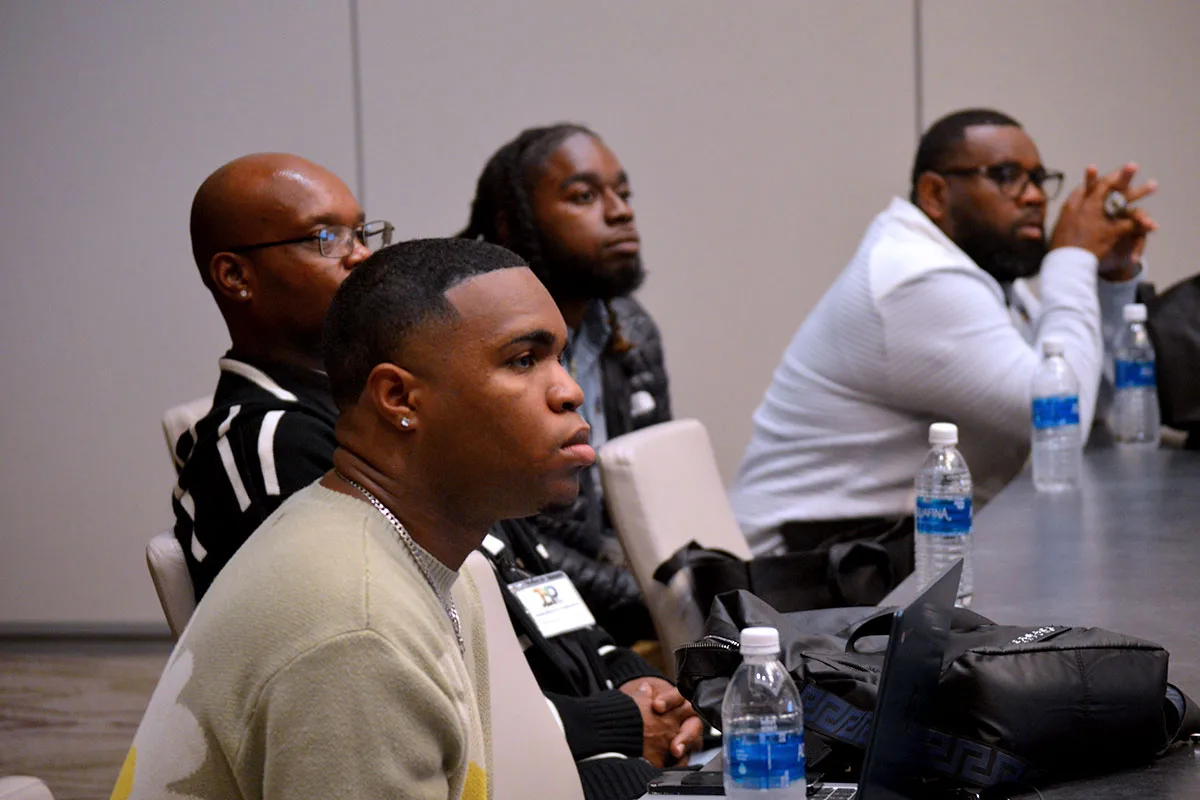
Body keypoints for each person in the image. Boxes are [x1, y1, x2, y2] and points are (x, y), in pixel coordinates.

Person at [115, 238, 601, 799]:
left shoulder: (429, 554)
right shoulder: (356, 631)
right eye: (523, 360)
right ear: (398, 398)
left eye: (560, 358)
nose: (570, 391)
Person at [730, 108, 1156, 557]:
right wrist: (1071, 258)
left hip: (881, 556)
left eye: (1038, 178)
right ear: (935, 193)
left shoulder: (979, 278)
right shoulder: (915, 278)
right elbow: (1060, 417)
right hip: (798, 582)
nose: (1034, 197)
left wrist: (1109, 283)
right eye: (1007, 176)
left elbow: (1096, 409)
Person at [460, 123, 671, 643]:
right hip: (520, 618)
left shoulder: (631, 328)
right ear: (512, 226)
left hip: (623, 602)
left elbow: (653, 497)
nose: (620, 211)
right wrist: (647, 599)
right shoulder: (467, 342)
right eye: (584, 196)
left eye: (622, 193)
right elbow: (504, 535)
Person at [172, 152, 392, 599]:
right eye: (326, 237)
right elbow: (352, 631)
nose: (363, 255)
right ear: (235, 276)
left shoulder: (353, 397)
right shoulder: (272, 448)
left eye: (360, 233)